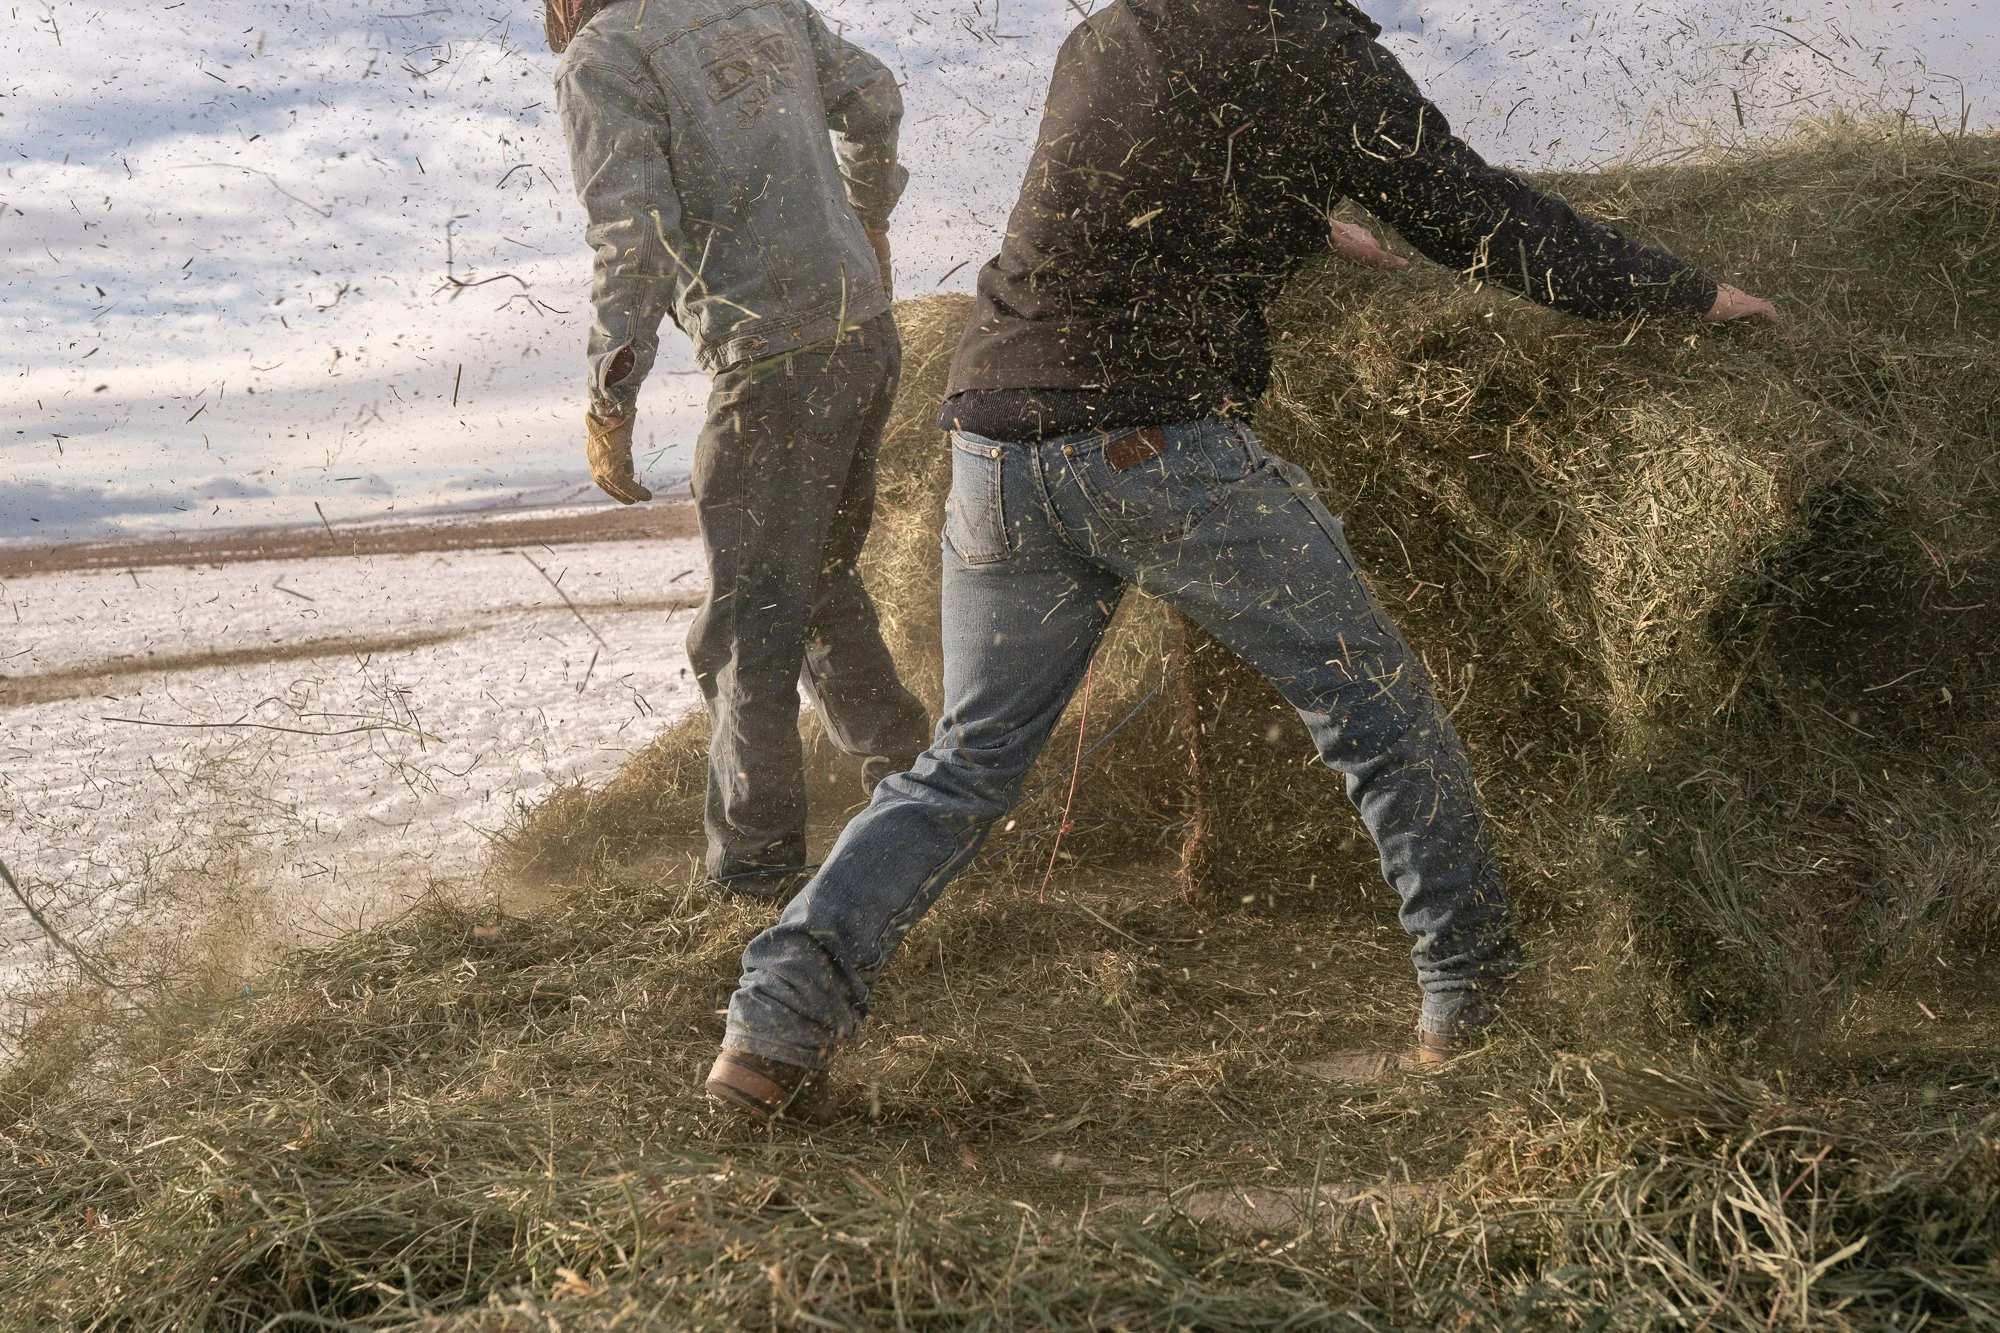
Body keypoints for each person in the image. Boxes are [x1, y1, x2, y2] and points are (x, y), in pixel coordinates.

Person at [707, 0, 1779, 1119]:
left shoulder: (1109, 34)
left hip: (991, 433)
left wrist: (1303, 219)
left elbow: (1136, 192)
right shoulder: (1322, 61)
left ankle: (774, 1026)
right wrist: (1687, 292)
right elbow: (1481, 220)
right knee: (1377, 713)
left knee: (967, 766)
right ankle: (1471, 1004)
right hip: (1152, 443)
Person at [548, 0, 933, 899]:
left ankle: (755, 877)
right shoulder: (763, 5)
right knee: (821, 588)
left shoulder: (605, 56)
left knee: (740, 636)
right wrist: (867, 218)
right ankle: (920, 799)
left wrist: (611, 391)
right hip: (865, 337)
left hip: (773, 363)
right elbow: (874, 97)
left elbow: (631, 234)